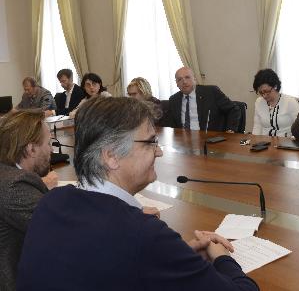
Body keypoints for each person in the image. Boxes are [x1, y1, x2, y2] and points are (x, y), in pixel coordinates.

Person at [17, 97, 259, 290]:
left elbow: (104, 266)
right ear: (111, 156)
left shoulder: (52, 201)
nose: (160, 152)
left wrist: (175, 257)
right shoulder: (143, 233)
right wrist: (221, 257)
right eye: (151, 142)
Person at [0, 110, 58, 291]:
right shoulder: (14, 185)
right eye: (48, 143)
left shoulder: (7, 172)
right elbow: (60, 228)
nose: (52, 150)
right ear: (31, 149)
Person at [165, 67, 241, 132]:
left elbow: (233, 109)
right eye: (180, 79)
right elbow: (170, 125)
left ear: (194, 79)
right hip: (184, 142)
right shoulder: (174, 99)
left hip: (210, 140)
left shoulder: (211, 92)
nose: (184, 82)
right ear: (177, 84)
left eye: (187, 77)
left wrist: (230, 130)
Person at [252, 69, 299, 137]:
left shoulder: (290, 102)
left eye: (267, 91)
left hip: (285, 143)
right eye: (261, 92)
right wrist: (254, 142)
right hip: (264, 143)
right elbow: (257, 127)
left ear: (275, 86)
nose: (264, 95)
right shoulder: (259, 102)